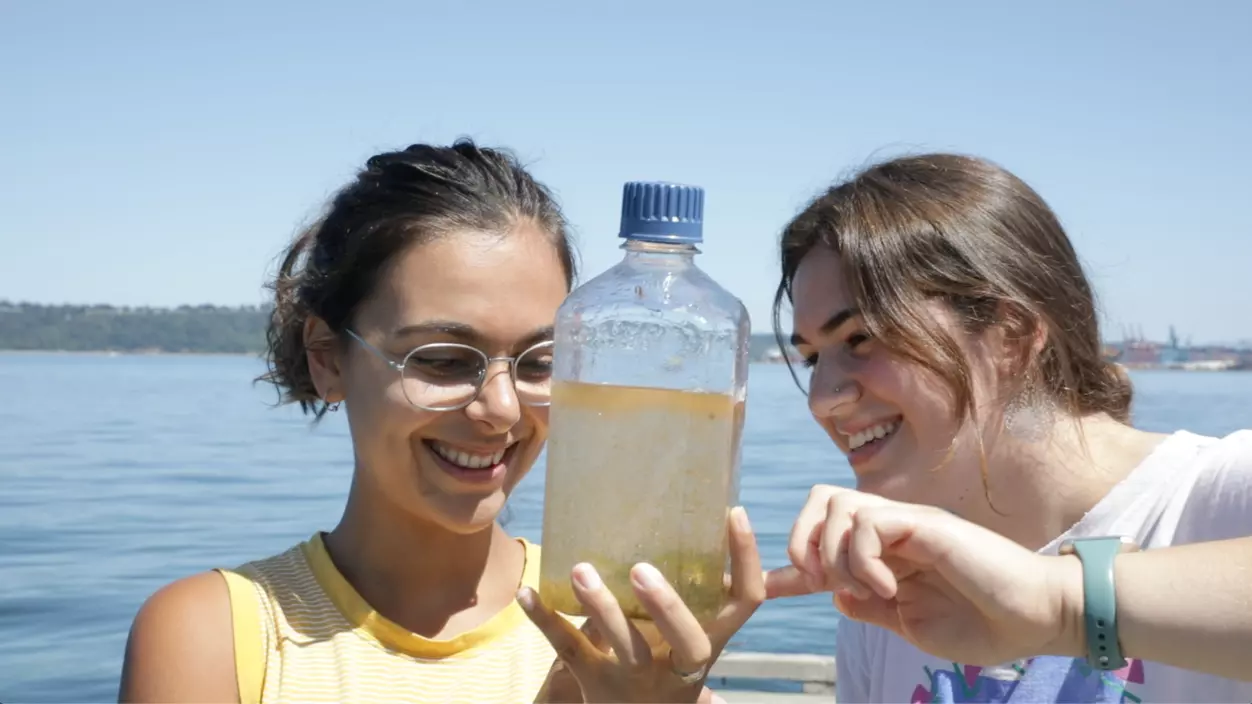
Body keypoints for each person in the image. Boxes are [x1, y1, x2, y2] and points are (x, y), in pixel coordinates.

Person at [117, 139, 763, 704]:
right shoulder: (213, 638)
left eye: (540, 362)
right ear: (327, 360)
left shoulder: (613, 624)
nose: (502, 409)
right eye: (445, 360)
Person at [766, 153, 1252, 703]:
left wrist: (1059, 603)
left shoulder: (1224, 494)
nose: (823, 399)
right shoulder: (893, 586)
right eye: (812, 359)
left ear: (1011, 334)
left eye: (859, 339)